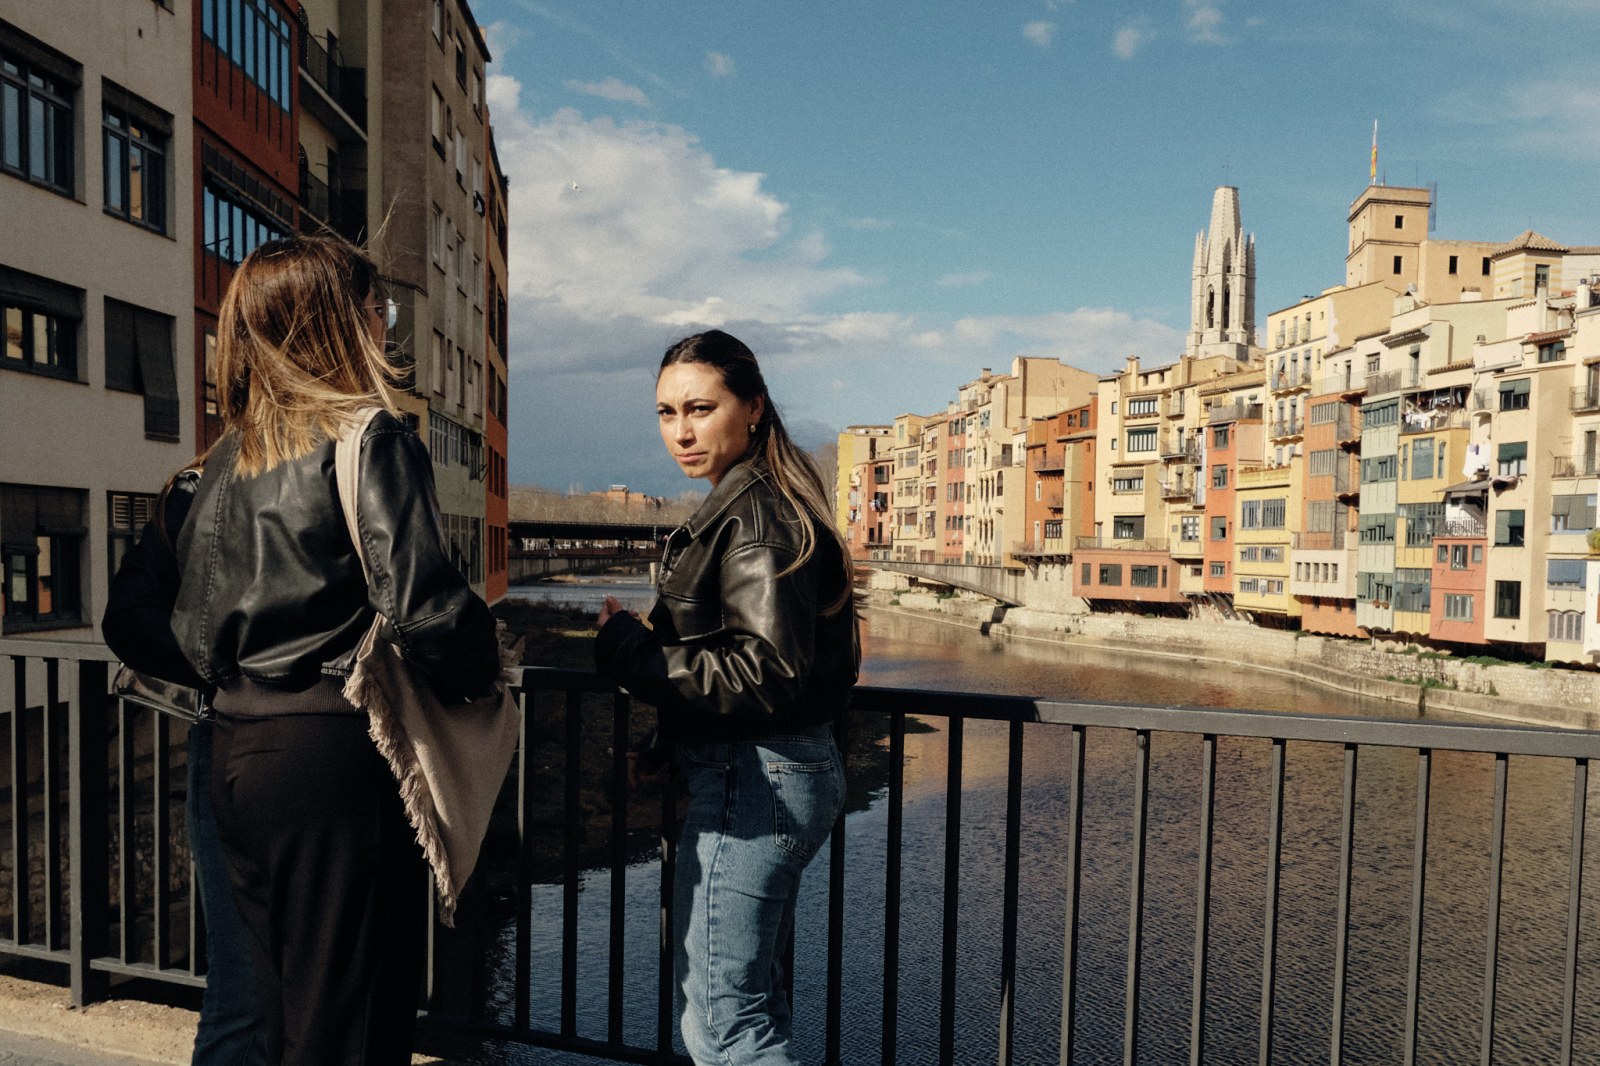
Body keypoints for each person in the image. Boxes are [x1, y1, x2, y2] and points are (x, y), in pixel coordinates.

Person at [168, 235, 503, 1066]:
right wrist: (485, 670)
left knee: (281, 1014)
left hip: (236, 753)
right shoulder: (369, 436)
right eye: (374, 308)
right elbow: (426, 612)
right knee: (350, 1022)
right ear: (337, 322)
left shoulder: (226, 456)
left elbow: (188, 623)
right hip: (331, 755)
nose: (383, 325)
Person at [594, 329, 858, 1065]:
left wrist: (625, 648)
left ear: (753, 409)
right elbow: (734, 655)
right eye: (666, 412)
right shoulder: (754, 506)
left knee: (723, 1029)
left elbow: (766, 673)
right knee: (751, 1011)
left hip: (757, 781)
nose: (681, 430)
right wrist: (667, 742)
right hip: (768, 772)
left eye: (700, 408)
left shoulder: (756, 520)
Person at [103, 460, 271, 1066]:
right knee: (273, 989)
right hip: (314, 745)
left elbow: (126, 616)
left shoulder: (199, 484)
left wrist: (223, 668)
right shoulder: (345, 465)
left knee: (242, 987)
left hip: (224, 737)